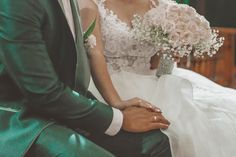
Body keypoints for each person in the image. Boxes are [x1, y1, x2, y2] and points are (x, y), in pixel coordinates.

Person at [0, 0, 172, 157]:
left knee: (155, 143)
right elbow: (44, 93)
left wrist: (117, 104)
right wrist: (118, 119)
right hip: (23, 119)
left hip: (64, 108)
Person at [78, 0, 236, 156]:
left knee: (213, 122)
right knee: (174, 133)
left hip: (153, 81)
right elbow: (94, 54)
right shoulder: (92, 5)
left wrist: (171, 50)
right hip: (107, 83)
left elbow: (157, 67)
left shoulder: (159, 6)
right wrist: (117, 101)